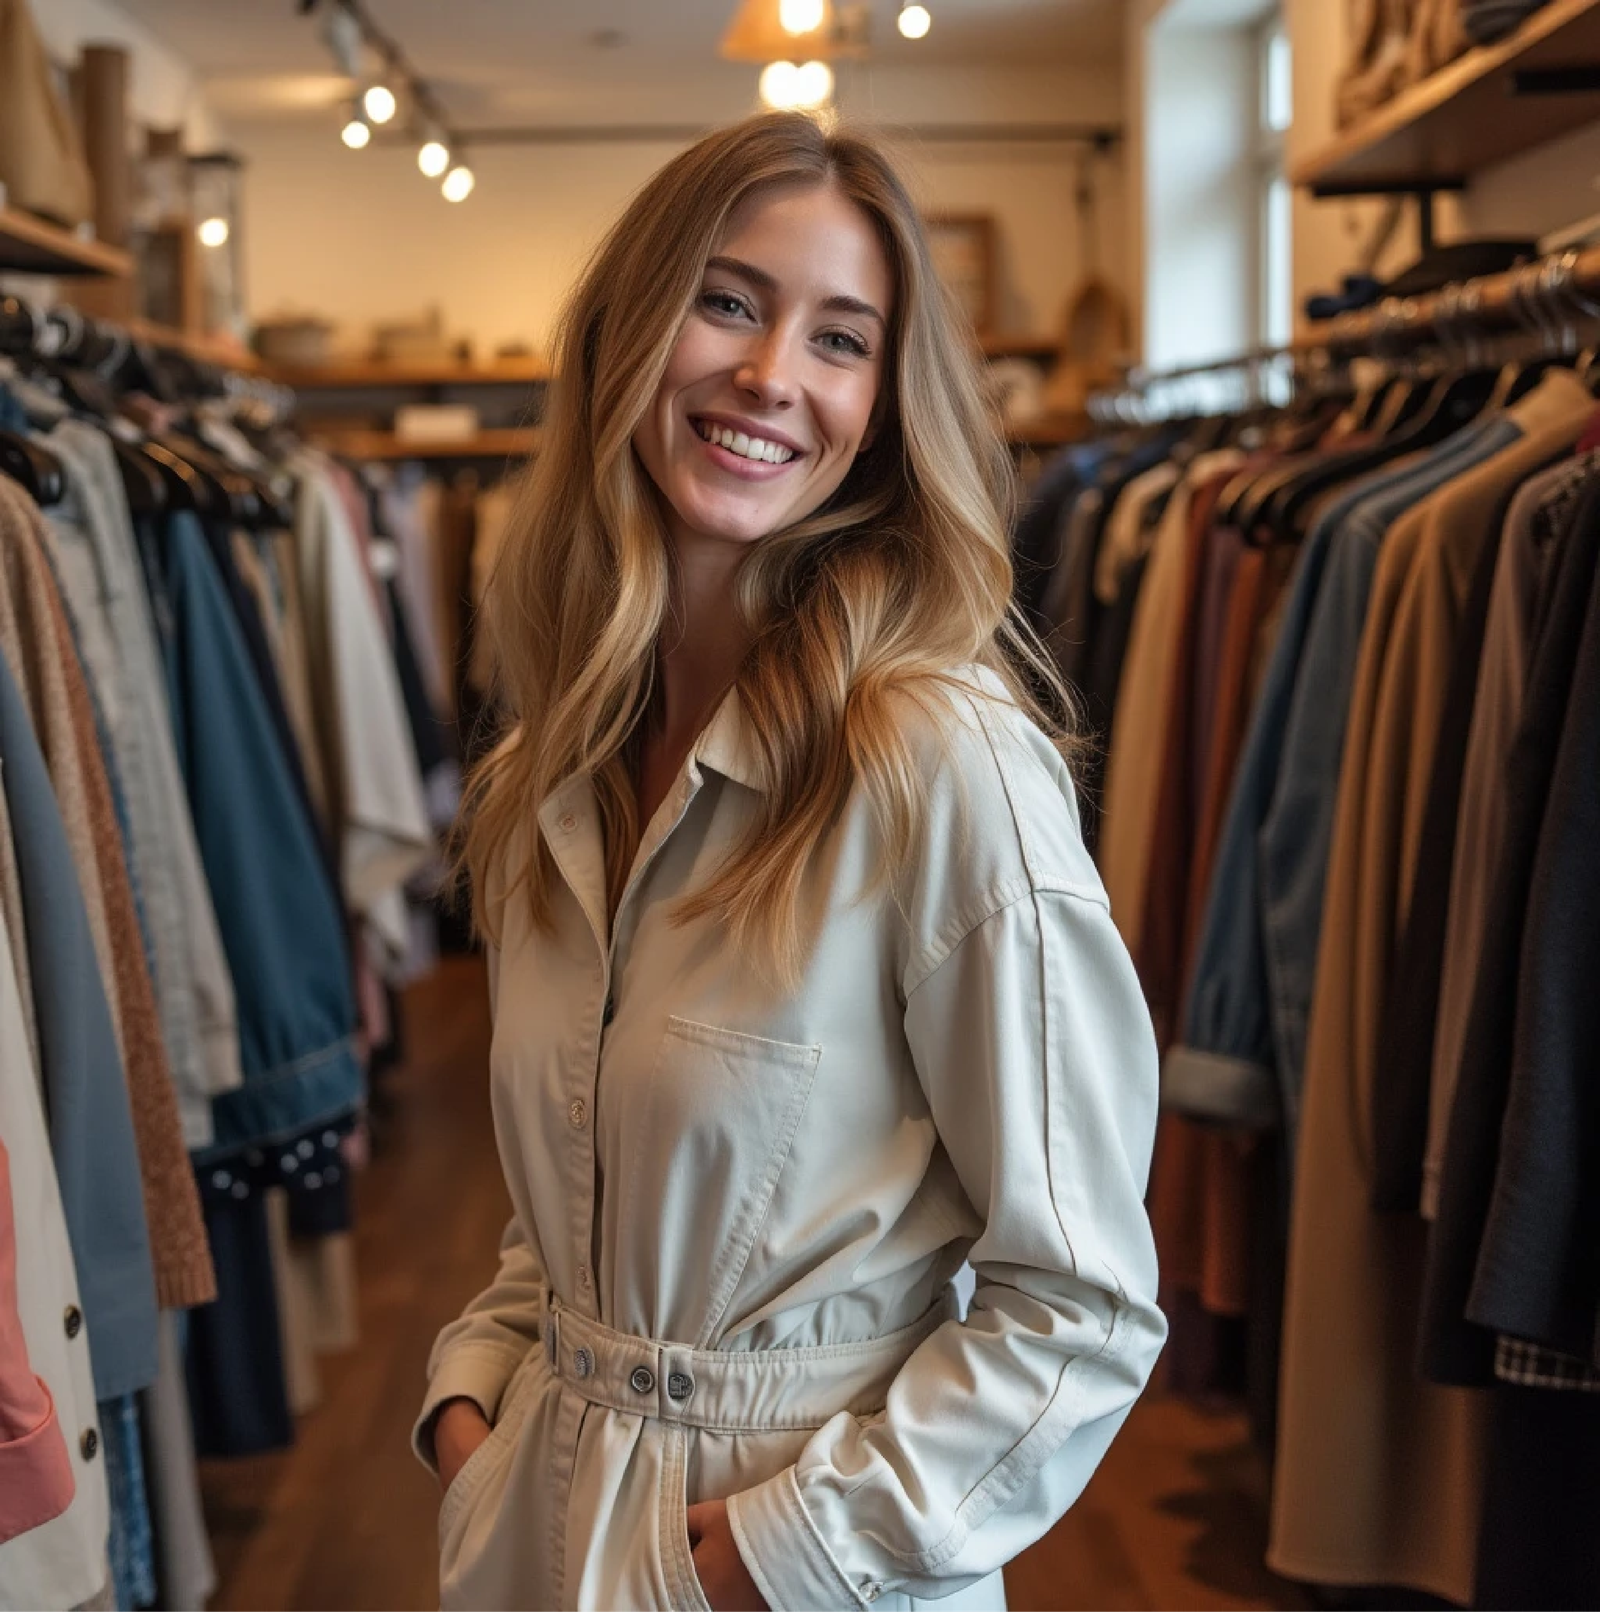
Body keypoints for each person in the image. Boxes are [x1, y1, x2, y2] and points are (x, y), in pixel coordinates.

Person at [413, 110, 1166, 1612]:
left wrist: (791, 1553)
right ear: (631, 329)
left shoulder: (939, 759)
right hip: (533, 1526)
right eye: (729, 301)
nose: (770, 375)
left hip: (792, 1558)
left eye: (841, 339)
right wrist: (475, 1395)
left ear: (885, 406)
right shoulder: (552, 766)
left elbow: (1080, 1297)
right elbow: (581, 1176)